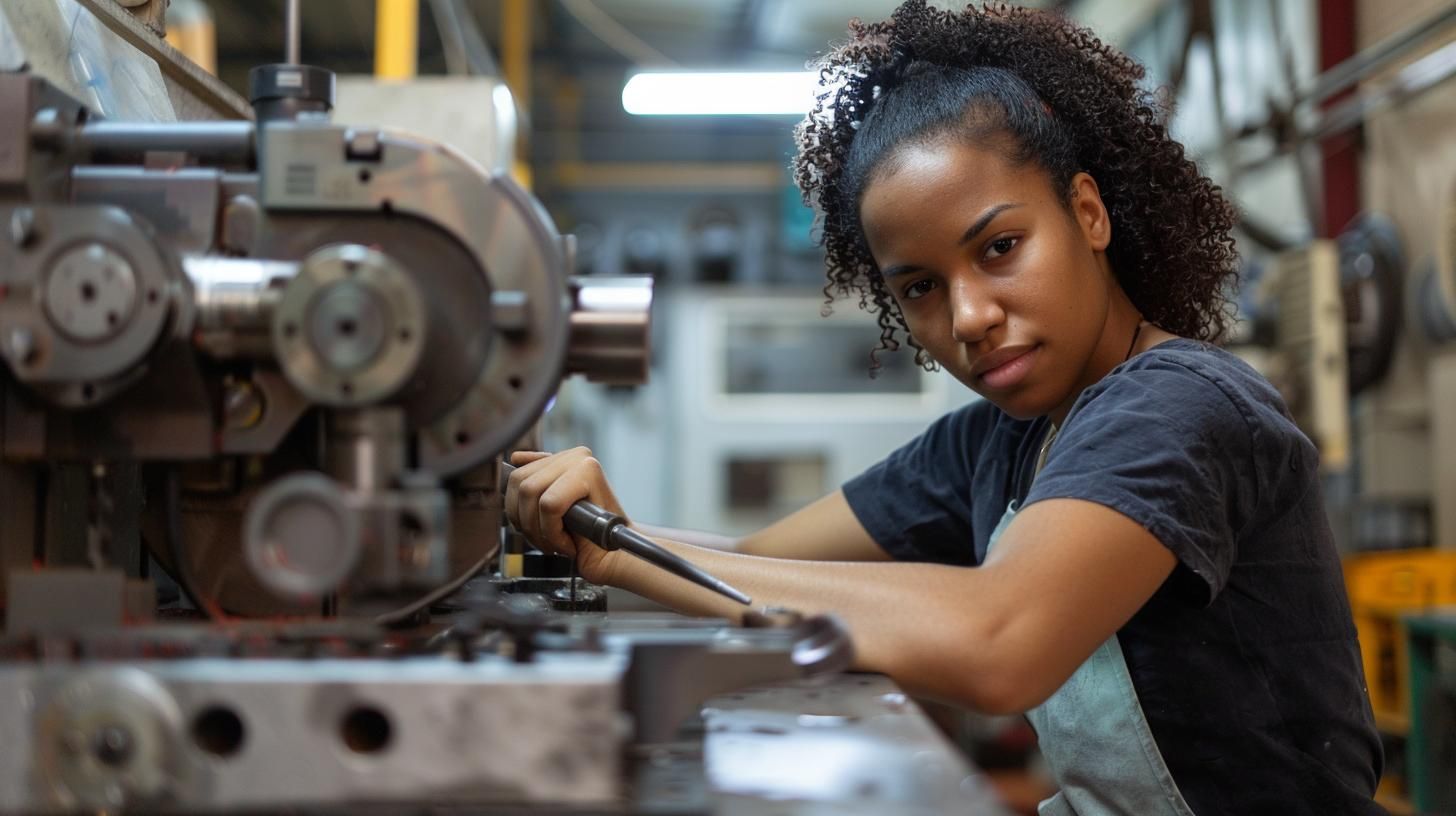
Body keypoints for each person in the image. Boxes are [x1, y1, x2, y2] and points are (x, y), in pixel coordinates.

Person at [505, 2, 1384, 813]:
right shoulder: (992, 444)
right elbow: (753, 562)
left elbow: (999, 641)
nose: (967, 318)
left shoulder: (1180, 406)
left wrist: (624, 563)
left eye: (1000, 248)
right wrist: (587, 528)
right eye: (921, 287)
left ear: (1087, 213)